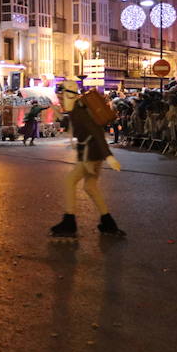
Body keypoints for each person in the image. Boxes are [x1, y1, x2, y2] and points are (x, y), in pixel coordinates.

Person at [50, 81, 125, 237]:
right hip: (92, 152)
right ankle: (108, 223)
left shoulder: (80, 111)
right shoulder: (76, 109)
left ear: (69, 94)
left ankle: (69, 222)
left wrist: (109, 156)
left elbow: (96, 132)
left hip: (91, 153)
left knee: (70, 181)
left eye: (61, 96)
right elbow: (73, 126)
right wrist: (58, 115)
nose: (61, 100)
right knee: (90, 187)